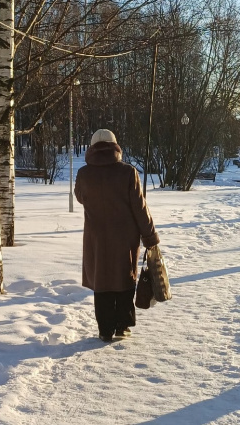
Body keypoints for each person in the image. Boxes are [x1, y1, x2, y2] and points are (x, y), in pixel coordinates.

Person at [74, 129, 160, 342]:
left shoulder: (84, 174)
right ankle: (123, 325)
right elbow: (140, 207)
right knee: (124, 278)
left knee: (101, 281)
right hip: (124, 237)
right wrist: (150, 237)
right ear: (115, 146)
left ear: (92, 148)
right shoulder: (128, 172)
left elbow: (80, 197)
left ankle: (105, 330)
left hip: (95, 238)